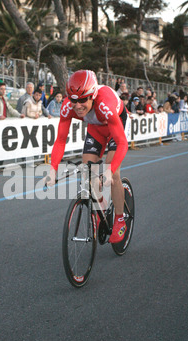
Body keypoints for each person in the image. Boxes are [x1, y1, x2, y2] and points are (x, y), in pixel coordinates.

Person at [46, 70, 128, 244]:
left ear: (93, 96)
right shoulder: (68, 106)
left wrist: (110, 170)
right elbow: (60, 140)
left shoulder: (104, 103)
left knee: (112, 174)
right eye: (73, 99)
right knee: (88, 174)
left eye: (83, 100)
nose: (78, 105)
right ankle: (102, 210)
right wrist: (53, 169)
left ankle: (120, 220)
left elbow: (122, 144)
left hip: (115, 125)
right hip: (96, 128)